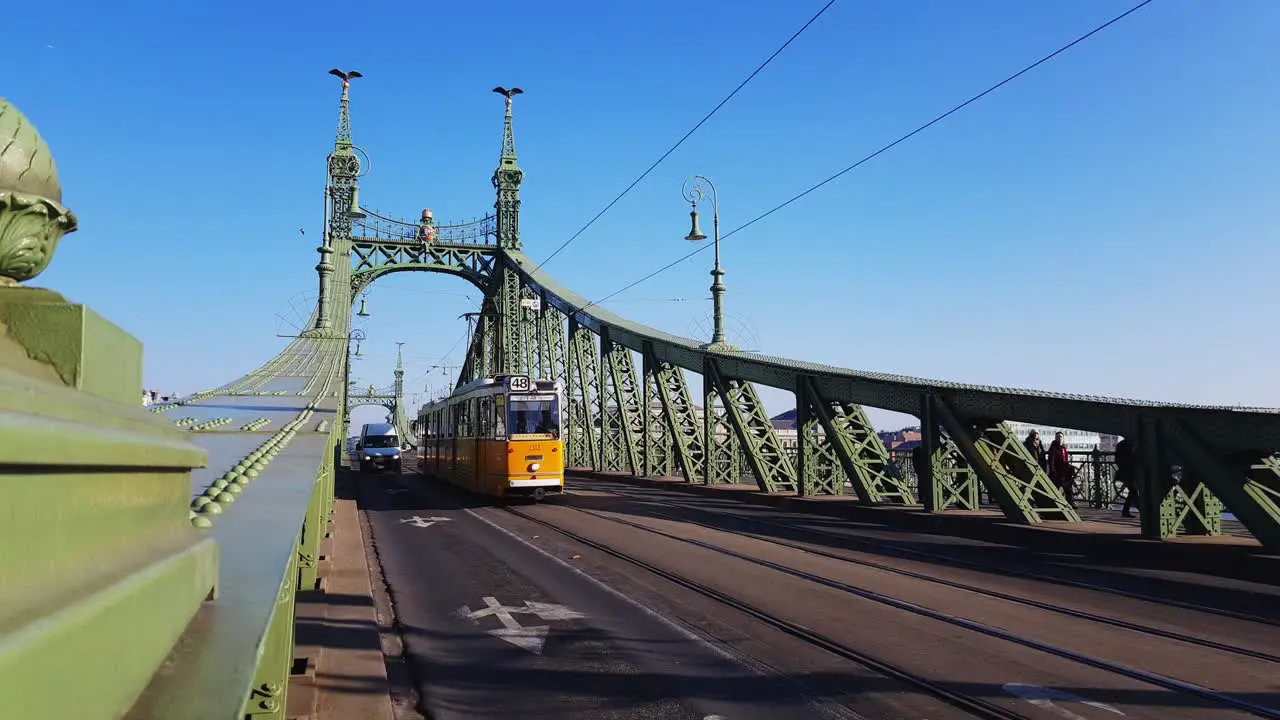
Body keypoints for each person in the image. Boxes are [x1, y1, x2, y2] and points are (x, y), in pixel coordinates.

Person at [1048, 431, 1075, 504]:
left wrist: (1069, 467)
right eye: (1058, 437)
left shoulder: (1064, 448)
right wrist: (1053, 471)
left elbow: (1065, 460)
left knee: (1068, 488)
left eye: (1061, 437)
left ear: (1063, 438)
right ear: (1055, 438)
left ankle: (1070, 502)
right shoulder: (1053, 448)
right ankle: (1052, 504)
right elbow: (1051, 461)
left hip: (1064, 472)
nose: (1059, 438)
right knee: (1055, 489)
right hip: (1057, 472)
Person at [1114, 438, 1138, 517]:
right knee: (1133, 491)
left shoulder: (1121, 444)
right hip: (1130, 471)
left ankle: (1126, 511)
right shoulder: (1133, 444)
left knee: (1133, 491)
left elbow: (1117, 460)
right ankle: (1141, 510)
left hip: (1126, 471)